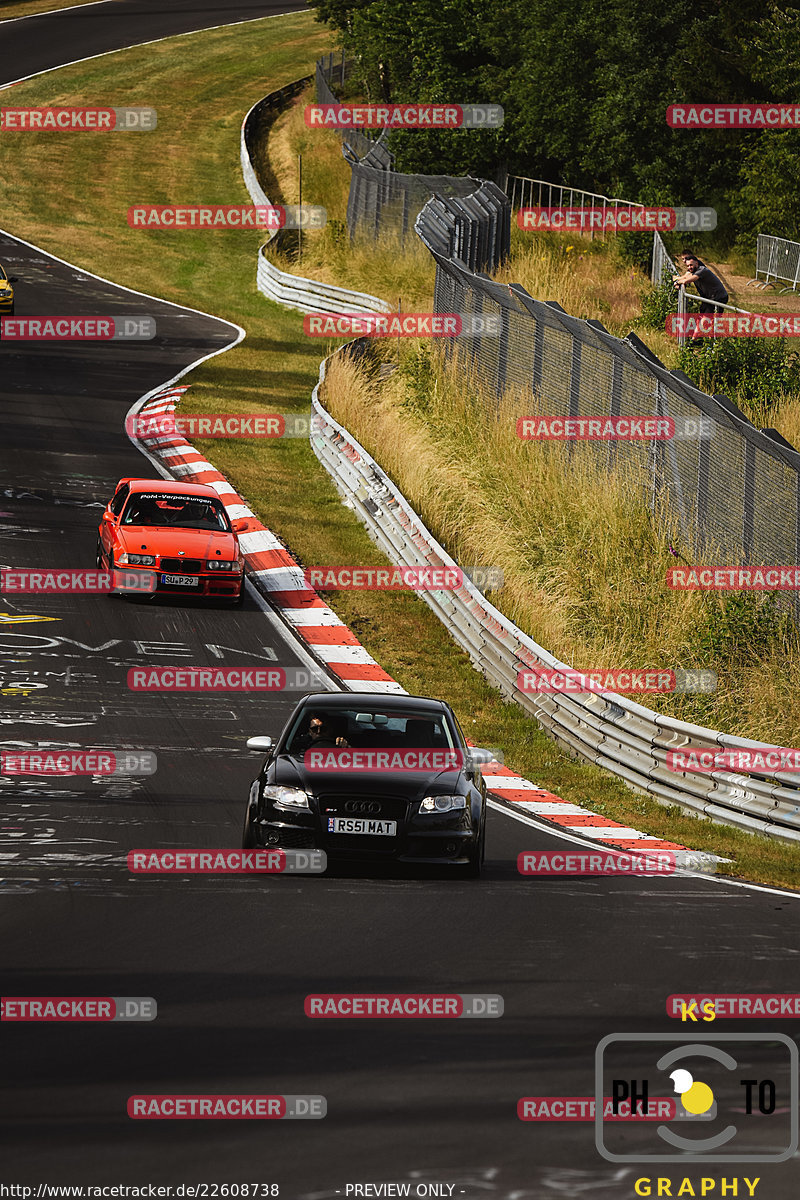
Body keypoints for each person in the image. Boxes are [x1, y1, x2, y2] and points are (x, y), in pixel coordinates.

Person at [672, 251, 729, 347]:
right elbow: (685, 277)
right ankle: (697, 342)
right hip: (708, 298)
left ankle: (706, 344)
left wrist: (678, 281)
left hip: (718, 298)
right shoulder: (693, 271)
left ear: (696, 263)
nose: (689, 267)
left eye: (691, 265)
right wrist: (679, 281)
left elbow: (686, 280)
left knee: (707, 321)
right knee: (701, 320)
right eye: (688, 266)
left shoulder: (702, 270)